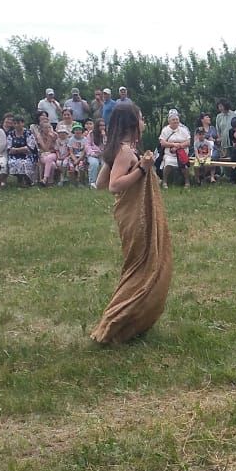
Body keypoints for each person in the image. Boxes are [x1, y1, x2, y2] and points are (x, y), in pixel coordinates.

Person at [91, 102, 172, 345]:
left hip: (129, 218)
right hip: (135, 219)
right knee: (141, 269)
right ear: (132, 123)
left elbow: (99, 182)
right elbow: (113, 185)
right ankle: (115, 322)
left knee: (137, 268)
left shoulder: (119, 150)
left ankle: (130, 322)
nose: (144, 121)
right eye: (141, 117)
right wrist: (142, 169)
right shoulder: (125, 151)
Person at [158, 109, 191, 188]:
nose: (175, 121)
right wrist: (173, 144)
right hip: (170, 154)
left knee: (184, 165)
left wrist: (179, 146)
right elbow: (162, 143)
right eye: (173, 120)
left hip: (182, 154)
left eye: (177, 119)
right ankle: (165, 182)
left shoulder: (184, 130)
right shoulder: (165, 130)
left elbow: (188, 142)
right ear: (169, 121)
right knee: (168, 163)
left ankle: (187, 182)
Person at [84, 118, 103, 187]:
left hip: (103, 154)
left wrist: (104, 136)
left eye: (103, 125)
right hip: (93, 154)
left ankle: (103, 181)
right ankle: (92, 182)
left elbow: (108, 145)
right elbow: (87, 145)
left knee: (105, 164)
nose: (102, 127)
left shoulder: (107, 134)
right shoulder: (91, 134)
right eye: (100, 125)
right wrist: (92, 154)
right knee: (94, 163)